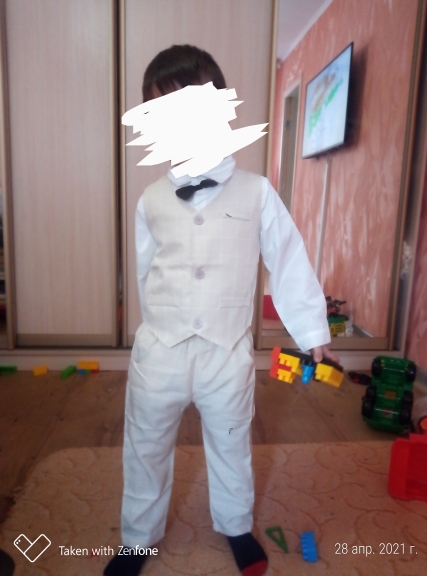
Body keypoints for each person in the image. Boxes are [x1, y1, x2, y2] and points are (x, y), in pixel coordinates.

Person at [104, 44, 339, 576]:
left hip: (226, 354)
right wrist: (160, 323)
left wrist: (310, 330)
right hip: (160, 353)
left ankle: (235, 525)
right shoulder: (149, 200)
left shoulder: (257, 192)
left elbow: (287, 259)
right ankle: (138, 538)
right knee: (144, 447)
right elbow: (146, 272)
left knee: (232, 444)